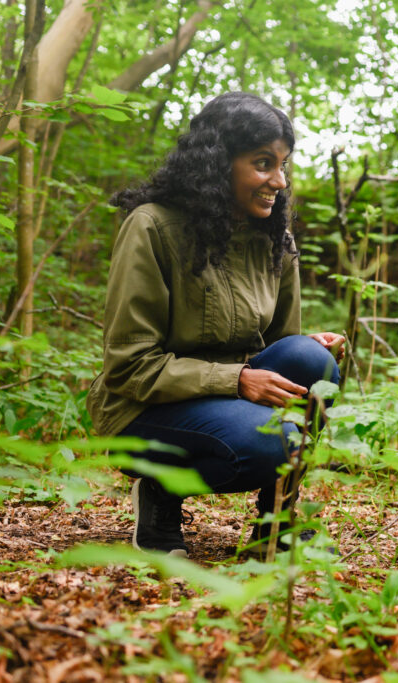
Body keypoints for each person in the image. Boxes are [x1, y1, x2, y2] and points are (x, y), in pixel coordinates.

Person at [87, 92, 344, 558]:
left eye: (283, 166)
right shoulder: (152, 228)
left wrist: (311, 345)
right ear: (218, 162)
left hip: (225, 397)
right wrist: (238, 379)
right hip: (144, 407)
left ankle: (276, 522)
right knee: (274, 442)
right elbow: (129, 366)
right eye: (263, 163)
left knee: (314, 363)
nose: (278, 181)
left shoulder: (274, 240)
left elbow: (282, 346)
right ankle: (159, 491)